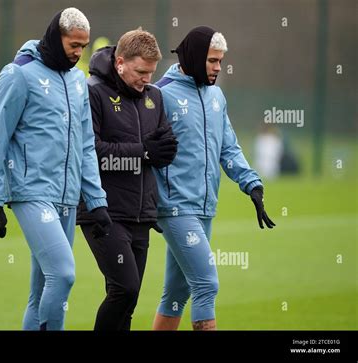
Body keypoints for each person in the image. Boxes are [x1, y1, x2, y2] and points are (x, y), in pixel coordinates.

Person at [0, 8, 112, 331]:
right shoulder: (19, 74)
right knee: (64, 273)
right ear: (57, 36)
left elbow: (85, 145)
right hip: (31, 192)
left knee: (40, 292)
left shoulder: (79, 82)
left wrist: (96, 201)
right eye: (73, 45)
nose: (79, 53)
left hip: (67, 198)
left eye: (83, 46)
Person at [152, 26, 275, 331]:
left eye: (220, 61)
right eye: (212, 61)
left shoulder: (216, 97)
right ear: (193, 57)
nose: (218, 68)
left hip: (205, 208)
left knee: (177, 294)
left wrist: (252, 183)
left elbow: (228, 147)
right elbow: (145, 154)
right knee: (206, 284)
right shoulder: (161, 94)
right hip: (175, 207)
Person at [77, 29, 178, 330]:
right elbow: (93, 152)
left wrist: (163, 151)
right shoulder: (93, 92)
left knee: (127, 301)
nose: (147, 78)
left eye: (151, 72)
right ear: (120, 62)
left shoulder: (155, 98)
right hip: (103, 212)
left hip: (141, 212)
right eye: (141, 71)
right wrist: (144, 153)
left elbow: (163, 145)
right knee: (125, 289)